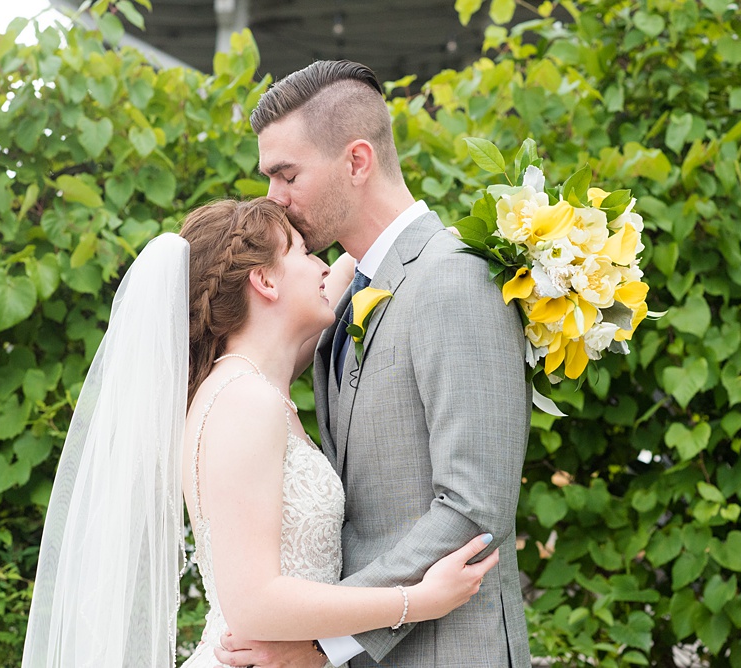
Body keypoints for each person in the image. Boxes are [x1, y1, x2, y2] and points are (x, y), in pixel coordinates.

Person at [20, 198, 499, 668]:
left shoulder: (255, 383)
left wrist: (419, 240)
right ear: (264, 280)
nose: (321, 267)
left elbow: (347, 268)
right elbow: (254, 602)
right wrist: (414, 601)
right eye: (304, 253)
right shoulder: (244, 401)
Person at [217, 61, 532, 668]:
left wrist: (322, 643)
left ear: (357, 161)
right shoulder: (339, 298)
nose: (273, 201)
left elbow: (473, 509)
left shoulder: (453, 277)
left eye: (287, 175)